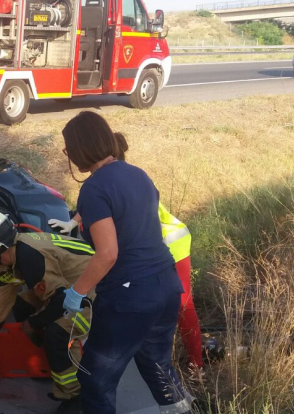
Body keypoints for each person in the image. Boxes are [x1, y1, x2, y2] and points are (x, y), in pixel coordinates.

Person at [58, 111, 199, 414]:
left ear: (80, 149)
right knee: (157, 366)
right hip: (165, 285)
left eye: (68, 150)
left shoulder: (94, 189)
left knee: (95, 378)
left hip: (129, 297)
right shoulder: (137, 174)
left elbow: (107, 254)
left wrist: (77, 291)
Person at [49, 134, 204, 371]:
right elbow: (102, 207)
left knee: (184, 304)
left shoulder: (117, 182)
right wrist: (74, 221)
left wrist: (77, 291)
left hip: (170, 242)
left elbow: (109, 251)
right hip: (151, 250)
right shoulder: (127, 178)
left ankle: (196, 364)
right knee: (158, 356)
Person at [0, 209, 94, 414]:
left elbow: (60, 301)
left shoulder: (30, 258)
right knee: (22, 306)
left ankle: (75, 399)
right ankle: (51, 365)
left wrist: (33, 324)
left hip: (90, 283)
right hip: (65, 282)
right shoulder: (7, 259)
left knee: (58, 333)